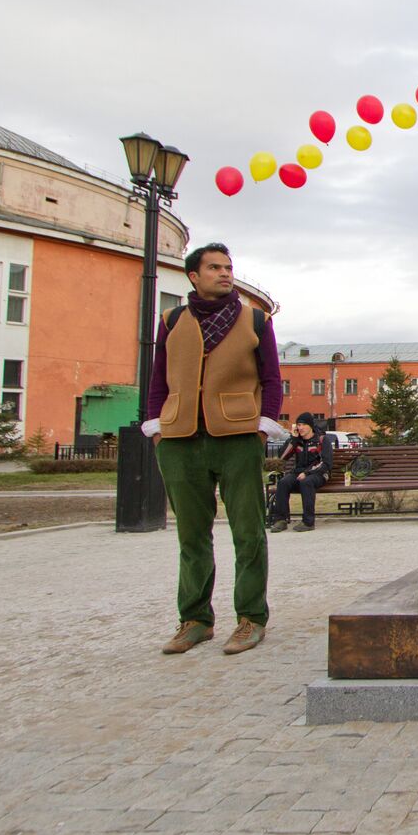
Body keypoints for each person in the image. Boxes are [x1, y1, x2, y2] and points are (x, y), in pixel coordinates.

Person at [143, 243, 286, 656]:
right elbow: (158, 381)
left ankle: (250, 618)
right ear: (194, 276)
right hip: (179, 437)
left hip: (237, 436)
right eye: (214, 268)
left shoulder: (255, 319)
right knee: (191, 535)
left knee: (248, 532)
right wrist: (157, 430)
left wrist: (261, 429)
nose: (224, 274)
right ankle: (195, 620)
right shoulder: (171, 321)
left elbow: (272, 379)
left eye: (228, 267)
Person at [270, 413, 333, 532]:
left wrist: (307, 473)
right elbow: (282, 458)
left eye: (304, 424)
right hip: (298, 473)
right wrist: (293, 439)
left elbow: (326, 463)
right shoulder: (296, 441)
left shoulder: (322, 440)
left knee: (306, 482)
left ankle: (308, 522)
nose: (300, 427)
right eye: (299, 425)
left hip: (318, 474)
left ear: (310, 426)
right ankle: (280, 520)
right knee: (283, 483)